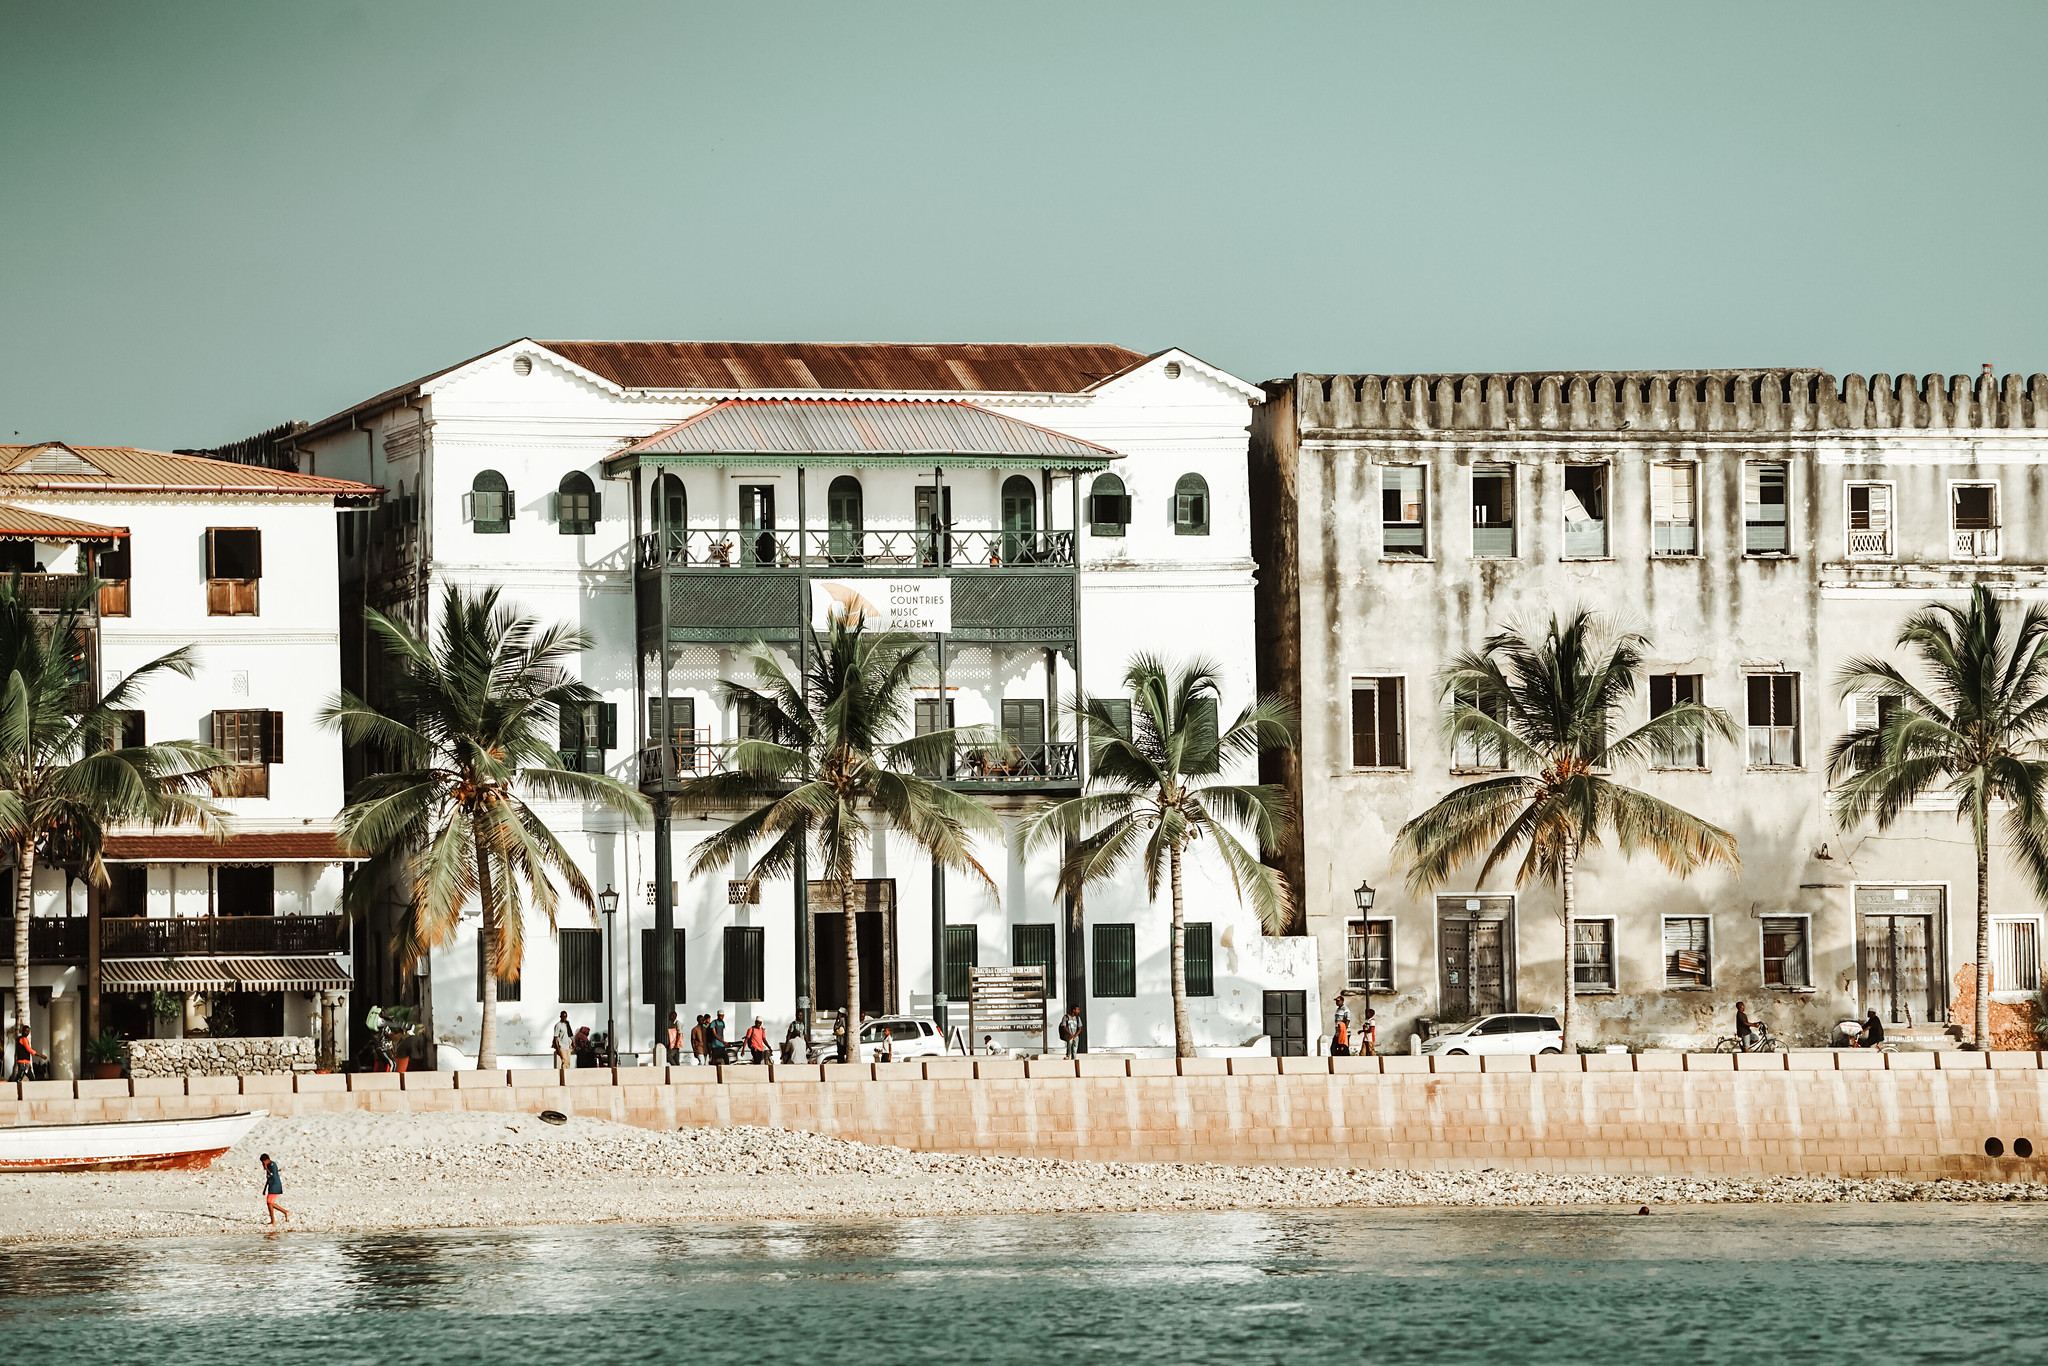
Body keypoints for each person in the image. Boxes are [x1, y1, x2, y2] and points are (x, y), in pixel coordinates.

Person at [258, 1152, 291, 1226]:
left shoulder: (273, 1165)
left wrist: (266, 1169)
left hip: (275, 1185)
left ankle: (275, 1219)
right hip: (271, 1185)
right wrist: (264, 1189)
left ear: (267, 1160)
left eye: (263, 1162)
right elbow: (268, 1178)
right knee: (270, 1203)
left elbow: (272, 1175)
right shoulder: (268, 1165)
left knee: (269, 1202)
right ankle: (284, 1213)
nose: (263, 1164)